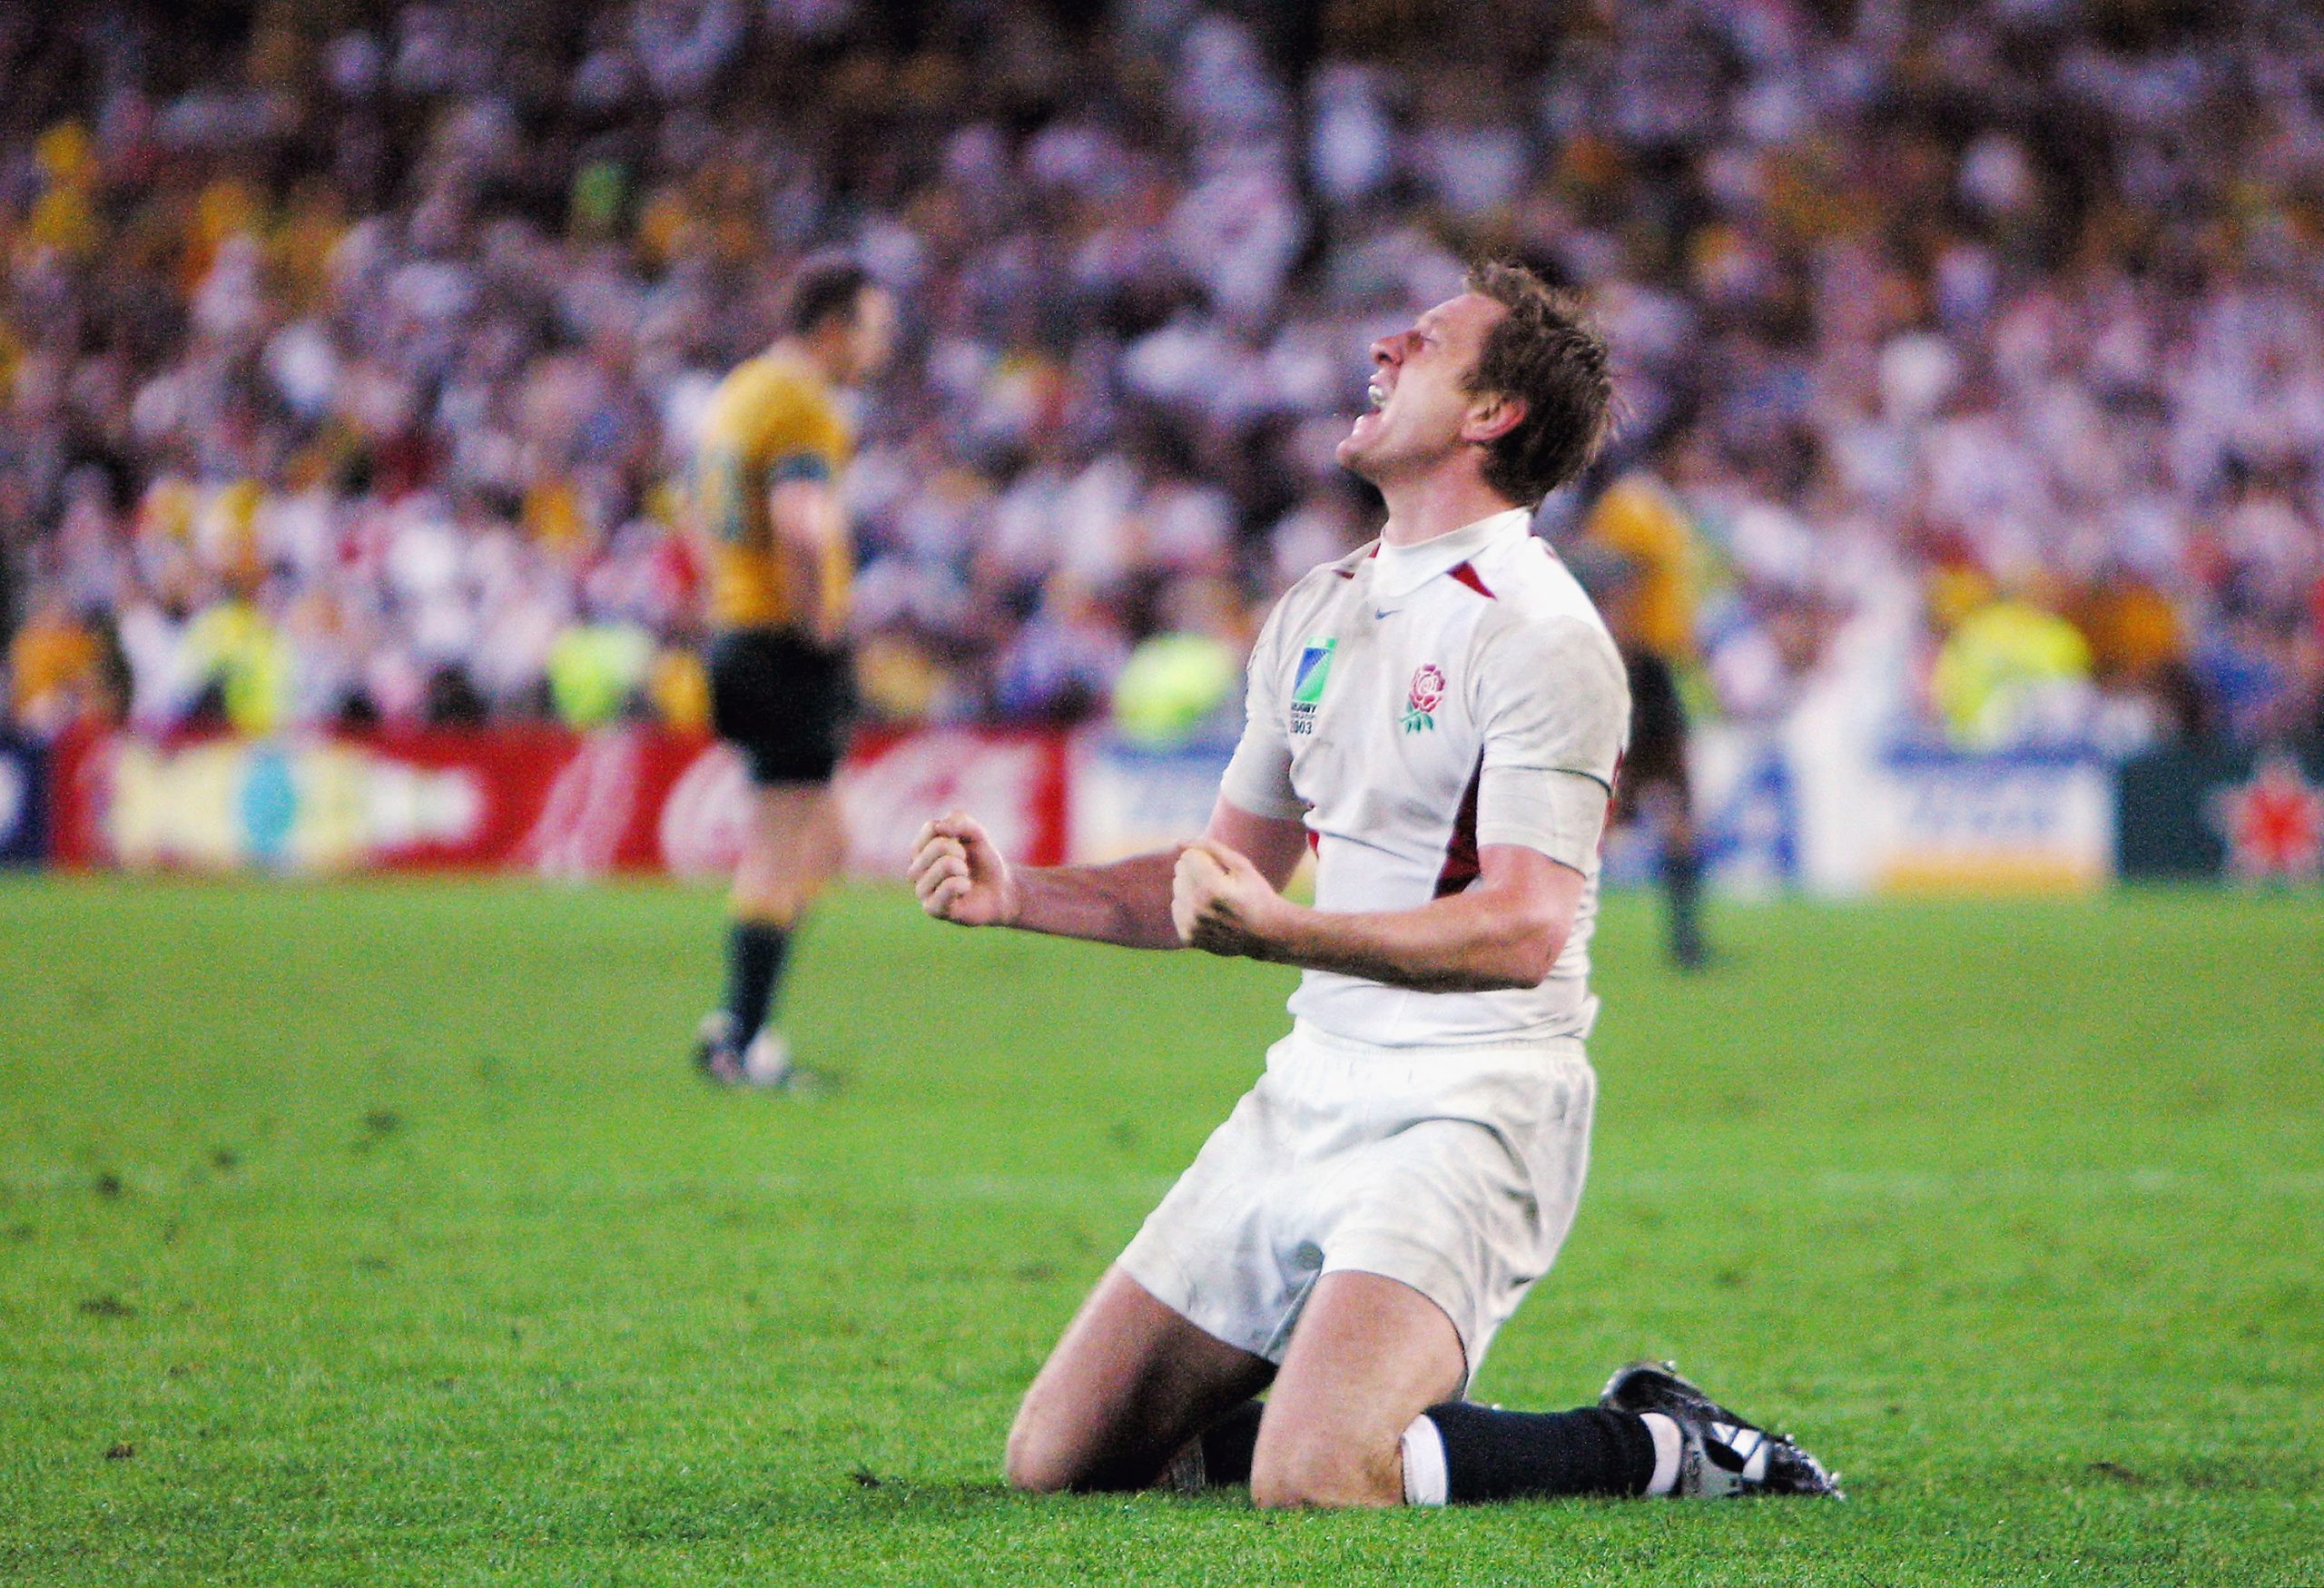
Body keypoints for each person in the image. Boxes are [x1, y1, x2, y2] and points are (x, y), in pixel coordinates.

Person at [908, 261, 1841, 1508]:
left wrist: (1290, 926)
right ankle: (1332, 1398)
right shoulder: (1316, 608)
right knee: (1057, 1461)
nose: (1388, 342)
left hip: (1477, 1100)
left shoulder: (1543, 635)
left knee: (1316, 1476)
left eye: (1433, 340)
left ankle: (1660, 1444)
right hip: (1311, 1087)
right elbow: (1217, 878)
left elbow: (1522, 927)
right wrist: (1019, 893)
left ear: (1490, 414)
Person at [691, 254, 896, 1088]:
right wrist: (822, 628)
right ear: (834, 327)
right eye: (874, 329)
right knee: (789, 844)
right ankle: (742, 1038)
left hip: (736, 629)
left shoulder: (743, 389)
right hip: (782, 639)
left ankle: (737, 1021)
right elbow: (803, 524)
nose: (879, 348)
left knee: (819, 840)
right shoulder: (805, 404)